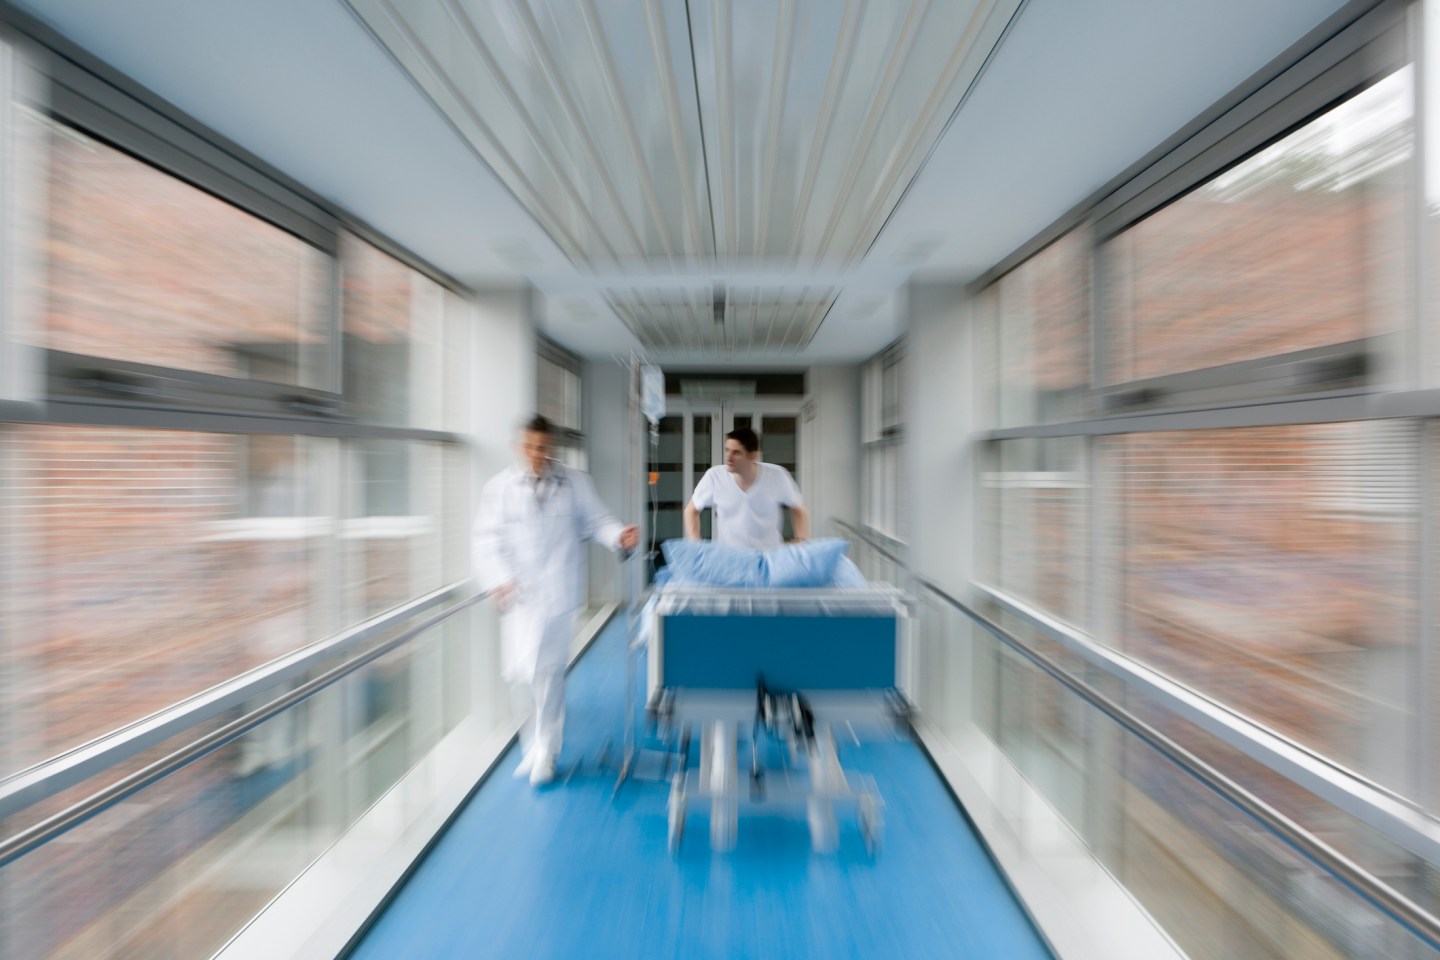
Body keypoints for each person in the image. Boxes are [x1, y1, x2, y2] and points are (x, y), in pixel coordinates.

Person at [473, 415, 639, 786]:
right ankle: (531, 747)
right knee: (519, 676)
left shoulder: (574, 481)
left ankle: (547, 751)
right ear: (519, 446)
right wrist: (497, 581)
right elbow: (485, 540)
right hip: (518, 598)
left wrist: (619, 536)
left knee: (549, 675)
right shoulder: (498, 488)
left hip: (557, 594)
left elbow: (597, 520)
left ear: (551, 447)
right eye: (531, 447)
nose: (537, 454)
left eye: (543, 448)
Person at [683, 426, 808, 550]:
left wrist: (801, 540)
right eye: (727, 450)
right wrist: (696, 546)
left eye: (736, 452)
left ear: (753, 456)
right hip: (731, 556)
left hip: (768, 555)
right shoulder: (714, 477)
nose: (728, 457)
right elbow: (691, 511)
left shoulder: (777, 475)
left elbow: (798, 508)